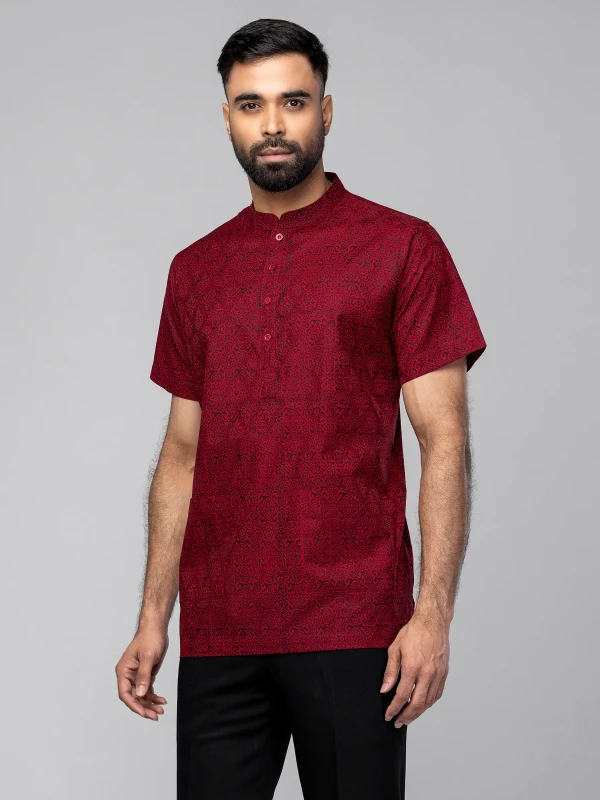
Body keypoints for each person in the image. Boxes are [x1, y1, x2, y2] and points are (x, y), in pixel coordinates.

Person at [115, 17, 487, 800]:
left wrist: (433, 614)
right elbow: (183, 454)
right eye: (251, 105)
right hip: (221, 627)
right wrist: (153, 617)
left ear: (327, 110)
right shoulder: (195, 270)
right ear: (227, 117)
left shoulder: (403, 247)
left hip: (355, 622)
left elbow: (444, 440)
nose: (273, 124)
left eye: (294, 101)